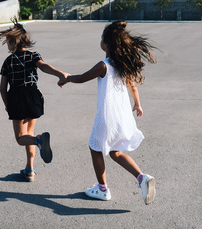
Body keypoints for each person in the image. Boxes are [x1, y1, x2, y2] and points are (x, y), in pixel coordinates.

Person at [59, 20, 157, 205]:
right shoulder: (123, 66)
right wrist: (138, 104)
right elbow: (133, 87)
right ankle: (142, 178)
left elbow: (82, 78)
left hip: (107, 117)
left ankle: (102, 189)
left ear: (106, 43)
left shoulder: (103, 65)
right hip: (123, 116)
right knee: (115, 152)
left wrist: (67, 78)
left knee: (95, 147)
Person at [0, 19, 66, 182]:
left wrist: (8, 106)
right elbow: (43, 66)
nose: (7, 45)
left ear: (14, 42)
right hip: (33, 95)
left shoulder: (8, 61)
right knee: (29, 132)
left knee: (21, 138)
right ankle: (30, 169)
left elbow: (2, 88)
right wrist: (60, 74)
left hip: (16, 98)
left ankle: (39, 141)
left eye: (8, 42)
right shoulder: (33, 55)